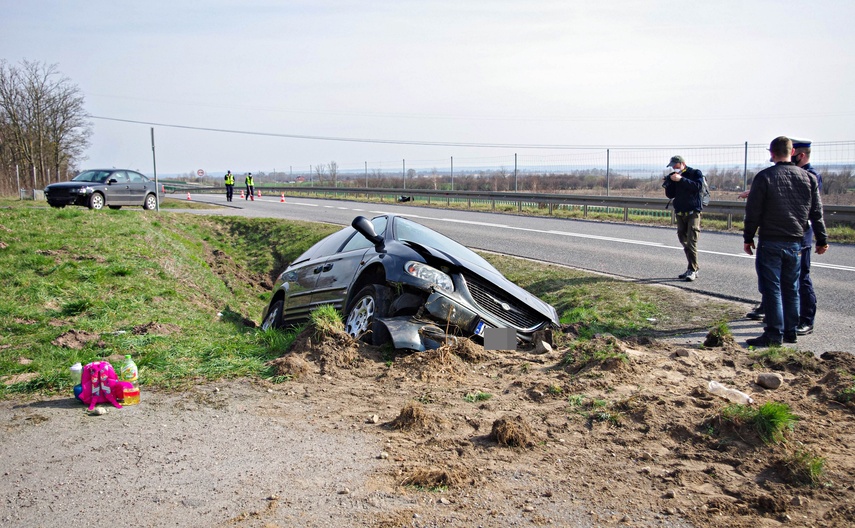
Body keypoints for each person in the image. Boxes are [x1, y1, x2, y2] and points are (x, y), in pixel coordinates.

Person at [743, 136, 828, 348]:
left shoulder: (764, 177)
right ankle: (790, 331)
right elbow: (816, 212)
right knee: (791, 287)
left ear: (772, 154)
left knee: (772, 288)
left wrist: (748, 237)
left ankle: (773, 333)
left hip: (771, 240)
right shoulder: (808, 178)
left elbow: (753, 211)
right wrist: (822, 238)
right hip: (796, 242)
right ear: (792, 152)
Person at [663, 155, 705, 281]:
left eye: (676, 166)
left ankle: (692, 270)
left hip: (693, 212)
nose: (674, 168)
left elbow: (698, 186)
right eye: (672, 167)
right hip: (680, 212)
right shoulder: (674, 176)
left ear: (682, 163)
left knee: (692, 241)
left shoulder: (695, 173)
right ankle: (692, 267)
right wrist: (669, 183)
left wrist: (681, 179)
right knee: (683, 240)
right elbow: (670, 195)